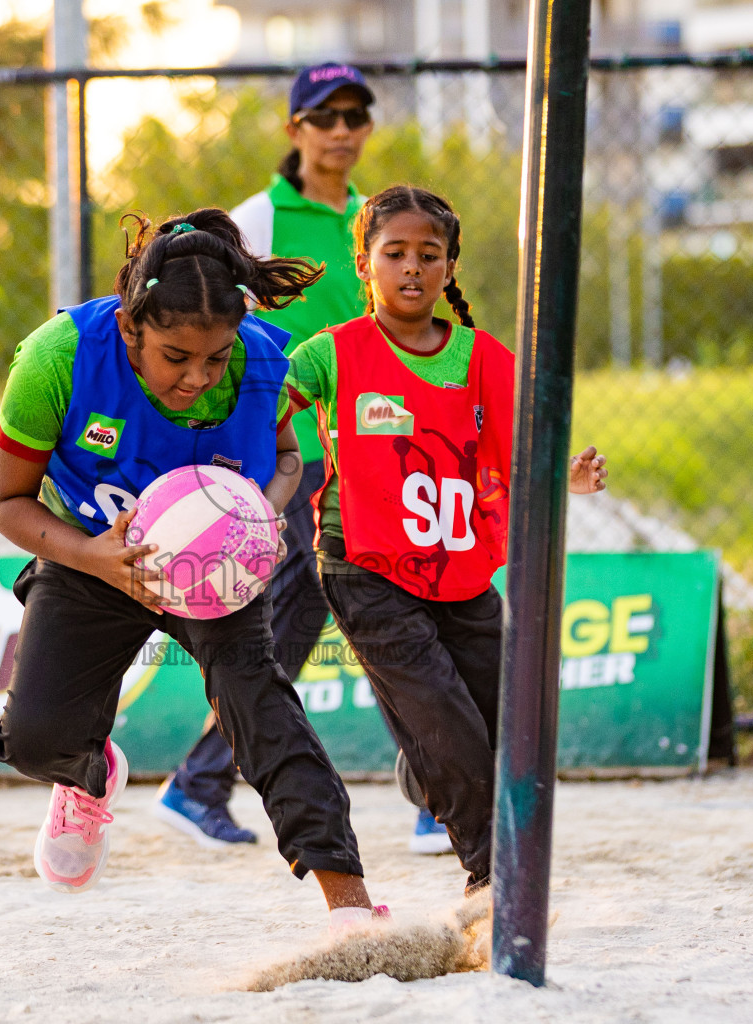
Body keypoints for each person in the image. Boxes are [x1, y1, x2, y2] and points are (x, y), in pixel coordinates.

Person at [0, 208, 380, 932]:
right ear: (132, 327)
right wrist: (93, 556)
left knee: (263, 711)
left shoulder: (261, 361)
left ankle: (350, 902)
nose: (198, 376)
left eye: (215, 356)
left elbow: (288, 458)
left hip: (215, 570)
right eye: (175, 356)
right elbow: (6, 502)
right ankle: (88, 774)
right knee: (37, 739)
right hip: (95, 556)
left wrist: (262, 511)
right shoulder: (59, 358)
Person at [157, 63, 450, 856]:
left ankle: (201, 783)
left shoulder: (373, 219)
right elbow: (225, 335)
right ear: (296, 130)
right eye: (325, 115)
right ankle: (434, 795)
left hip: (369, 446)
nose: (343, 129)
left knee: (319, 615)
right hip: (295, 450)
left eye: (356, 114)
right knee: (366, 607)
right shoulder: (258, 218)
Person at [283, 185, 609, 896]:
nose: (411, 268)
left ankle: (420, 766)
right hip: (363, 565)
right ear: (364, 265)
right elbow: (267, 402)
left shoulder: (485, 358)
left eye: (428, 255)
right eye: (393, 253)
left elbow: (523, 452)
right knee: (449, 726)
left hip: (459, 573)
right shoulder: (332, 353)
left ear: (450, 268)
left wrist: (568, 476)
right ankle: (494, 880)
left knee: (510, 719)